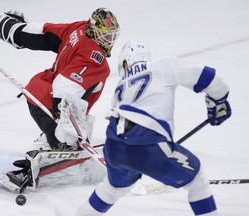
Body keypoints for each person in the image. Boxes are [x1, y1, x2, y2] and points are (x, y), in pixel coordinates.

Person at [77, 41, 231, 216]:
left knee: (111, 190)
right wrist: (218, 101)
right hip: (147, 146)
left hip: (114, 147)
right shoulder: (162, 67)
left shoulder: (121, 85)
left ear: (126, 62)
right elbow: (209, 77)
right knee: (198, 182)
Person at [0, 8, 120, 191]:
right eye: (105, 36)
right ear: (94, 30)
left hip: (39, 91)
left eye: (111, 36)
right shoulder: (96, 59)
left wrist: (13, 30)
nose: (109, 41)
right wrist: (64, 123)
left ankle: (56, 137)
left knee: (73, 130)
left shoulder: (80, 29)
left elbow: (45, 34)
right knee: (66, 144)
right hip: (48, 102)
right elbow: (65, 86)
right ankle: (50, 154)